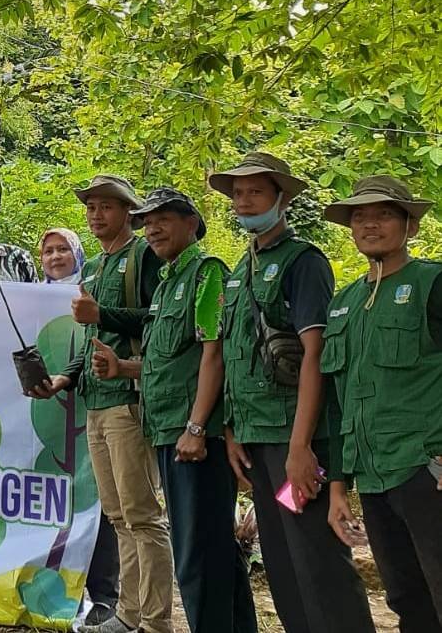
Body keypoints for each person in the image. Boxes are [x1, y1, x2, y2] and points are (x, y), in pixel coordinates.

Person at [209, 152, 374, 633]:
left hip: (294, 440)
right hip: (257, 441)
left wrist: (300, 449)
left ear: (282, 199)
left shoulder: (303, 263)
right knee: (283, 566)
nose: (244, 201)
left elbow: (315, 355)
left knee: (317, 563)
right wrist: (233, 431)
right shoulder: (241, 269)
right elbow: (235, 356)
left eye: (256, 192)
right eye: (238, 194)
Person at [90, 187, 256, 633]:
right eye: (147, 222)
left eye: (163, 219)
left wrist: (197, 428)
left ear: (191, 223)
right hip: (166, 429)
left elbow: (213, 354)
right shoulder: (166, 283)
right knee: (209, 550)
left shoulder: (207, 273)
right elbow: (167, 361)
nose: (153, 229)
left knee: (198, 555)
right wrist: (123, 367)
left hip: (196, 436)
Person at [31, 175, 172, 633]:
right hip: (95, 402)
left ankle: (156, 621)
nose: (96, 214)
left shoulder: (144, 256)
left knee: (143, 516)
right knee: (118, 516)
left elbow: (163, 318)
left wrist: (103, 314)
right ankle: (128, 614)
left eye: (106, 206)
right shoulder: (93, 267)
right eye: (91, 207)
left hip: (129, 399)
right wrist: (65, 377)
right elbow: (91, 336)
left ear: (128, 211)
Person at [321, 176, 442, 632]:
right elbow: (338, 403)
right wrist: (339, 486)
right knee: (407, 598)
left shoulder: (432, 284)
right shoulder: (344, 304)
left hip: (426, 470)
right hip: (373, 480)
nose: (370, 224)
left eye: (385, 214)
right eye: (359, 216)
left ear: (410, 226)